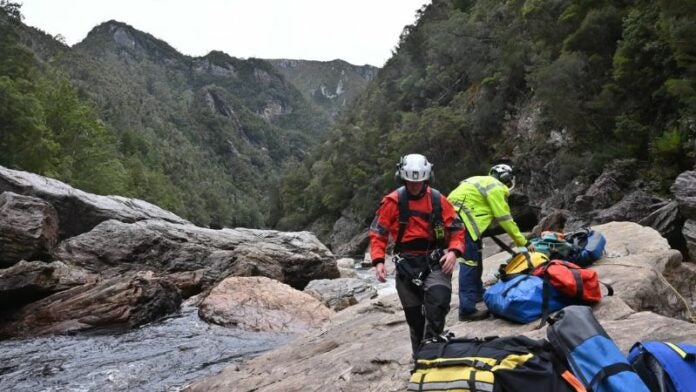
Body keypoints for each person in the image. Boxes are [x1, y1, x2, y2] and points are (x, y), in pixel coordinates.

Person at [369, 153, 465, 355]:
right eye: (410, 182)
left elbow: (457, 229)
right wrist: (378, 261)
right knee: (415, 319)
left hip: (435, 260)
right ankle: (419, 356)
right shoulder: (392, 202)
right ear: (402, 178)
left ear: (426, 179)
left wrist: (454, 252)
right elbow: (379, 233)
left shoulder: (439, 200)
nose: (414, 186)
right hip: (406, 265)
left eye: (419, 182)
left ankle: (432, 351)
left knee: (438, 304)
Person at [447, 163, 532, 321]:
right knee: (469, 263)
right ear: (506, 179)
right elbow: (505, 219)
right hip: (464, 221)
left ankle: (478, 293)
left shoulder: (480, 180)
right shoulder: (496, 187)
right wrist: (523, 242)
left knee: (476, 256)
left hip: (454, 218)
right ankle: (466, 310)